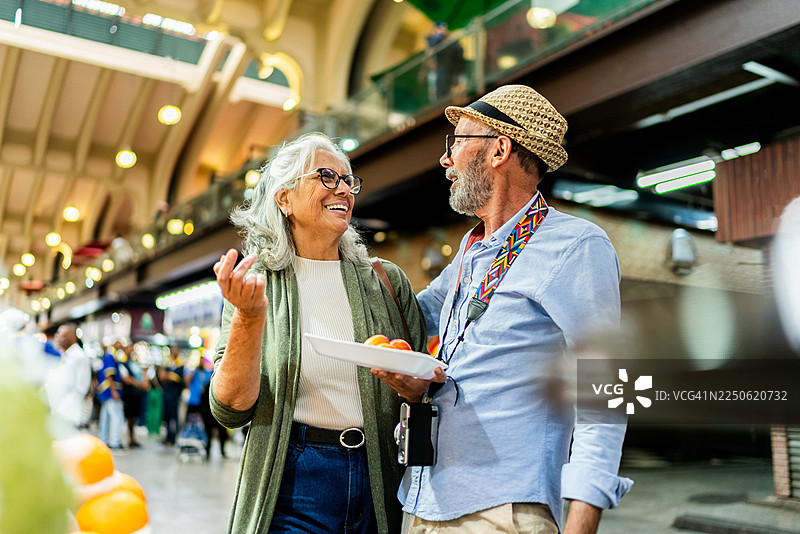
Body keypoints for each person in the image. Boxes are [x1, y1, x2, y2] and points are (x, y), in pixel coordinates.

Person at [373, 85, 632, 534]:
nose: (445, 158)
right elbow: (416, 317)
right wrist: (351, 264)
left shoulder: (575, 246)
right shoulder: (473, 251)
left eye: (456, 143)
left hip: (504, 511)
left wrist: (582, 521)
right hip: (424, 499)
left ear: (499, 149)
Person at [209, 132, 426, 534]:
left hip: (382, 477)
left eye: (348, 180)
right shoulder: (257, 285)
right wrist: (249, 317)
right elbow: (230, 409)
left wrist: (416, 388)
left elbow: (426, 385)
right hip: (294, 481)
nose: (343, 188)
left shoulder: (385, 282)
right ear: (284, 198)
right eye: (326, 176)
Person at [46, 323, 92, 429]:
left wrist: (62, 410)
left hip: (68, 415)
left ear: (73, 337)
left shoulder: (80, 357)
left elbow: (81, 388)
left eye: (62, 336)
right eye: (58, 335)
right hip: (56, 412)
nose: (58, 338)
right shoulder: (62, 355)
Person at [118, 340, 150, 447]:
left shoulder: (136, 364)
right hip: (129, 394)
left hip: (137, 395)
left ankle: (132, 438)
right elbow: (127, 379)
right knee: (129, 417)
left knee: (134, 417)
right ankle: (127, 438)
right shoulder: (123, 364)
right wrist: (140, 385)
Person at [425, 22, 465, 101]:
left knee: (455, 87)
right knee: (439, 90)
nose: (442, 31)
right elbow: (430, 54)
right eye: (439, 28)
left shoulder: (451, 42)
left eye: (443, 29)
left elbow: (459, 52)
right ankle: (439, 102)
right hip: (440, 70)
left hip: (452, 69)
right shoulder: (433, 41)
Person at [97, 342, 124, 449]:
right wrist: (113, 391)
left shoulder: (109, 356)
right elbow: (109, 374)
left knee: (105, 417)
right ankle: (114, 442)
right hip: (111, 392)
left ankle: (104, 440)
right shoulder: (110, 357)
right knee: (116, 417)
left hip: (106, 392)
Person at [158, 344, 185, 446]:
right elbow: (162, 377)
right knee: (166, 417)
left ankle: (173, 437)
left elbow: (180, 379)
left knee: (174, 417)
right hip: (166, 394)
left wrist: (169, 376)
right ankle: (167, 436)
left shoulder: (180, 366)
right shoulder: (167, 364)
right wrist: (170, 376)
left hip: (175, 395)